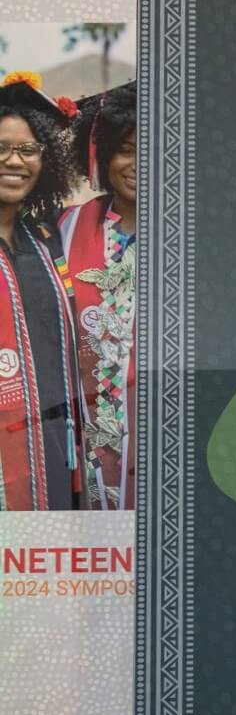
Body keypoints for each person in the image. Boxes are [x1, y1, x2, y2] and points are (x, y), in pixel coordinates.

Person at [0, 73, 84, 512]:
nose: (14, 161)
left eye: (28, 149)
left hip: (56, 450)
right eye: (1, 147)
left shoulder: (49, 240)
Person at [58, 83, 139, 511]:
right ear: (104, 155)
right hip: (86, 441)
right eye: (127, 149)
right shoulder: (64, 229)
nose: (139, 163)